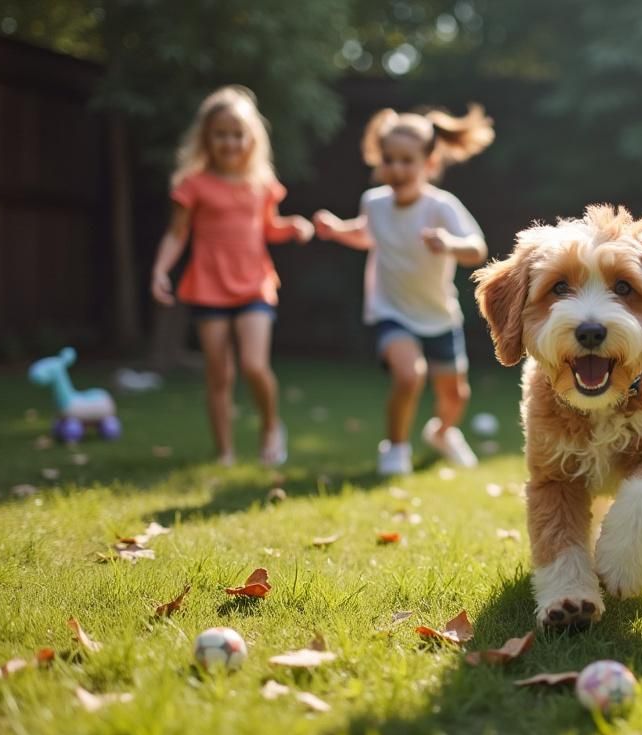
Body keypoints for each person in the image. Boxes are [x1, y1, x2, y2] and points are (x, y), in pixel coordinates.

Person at [313, 105, 493, 476]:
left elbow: (477, 249)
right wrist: (336, 230)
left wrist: (449, 243)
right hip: (390, 310)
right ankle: (395, 448)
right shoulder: (374, 202)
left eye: (406, 161)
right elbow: (367, 234)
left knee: (455, 395)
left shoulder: (441, 206)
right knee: (409, 376)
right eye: (389, 160)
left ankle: (443, 432)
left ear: (429, 163)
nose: (396, 169)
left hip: (439, 314)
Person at [150, 86, 313, 467]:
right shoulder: (193, 185)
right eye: (221, 134)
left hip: (254, 284)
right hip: (208, 287)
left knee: (255, 365)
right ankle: (224, 452)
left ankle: (271, 426)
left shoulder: (261, 186)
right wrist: (160, 270)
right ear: (206, 138)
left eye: (237, 134)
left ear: (252, 138)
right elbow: (177, 234)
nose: (230, 142)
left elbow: (268, 229)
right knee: (219, 374)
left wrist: (294, 227)